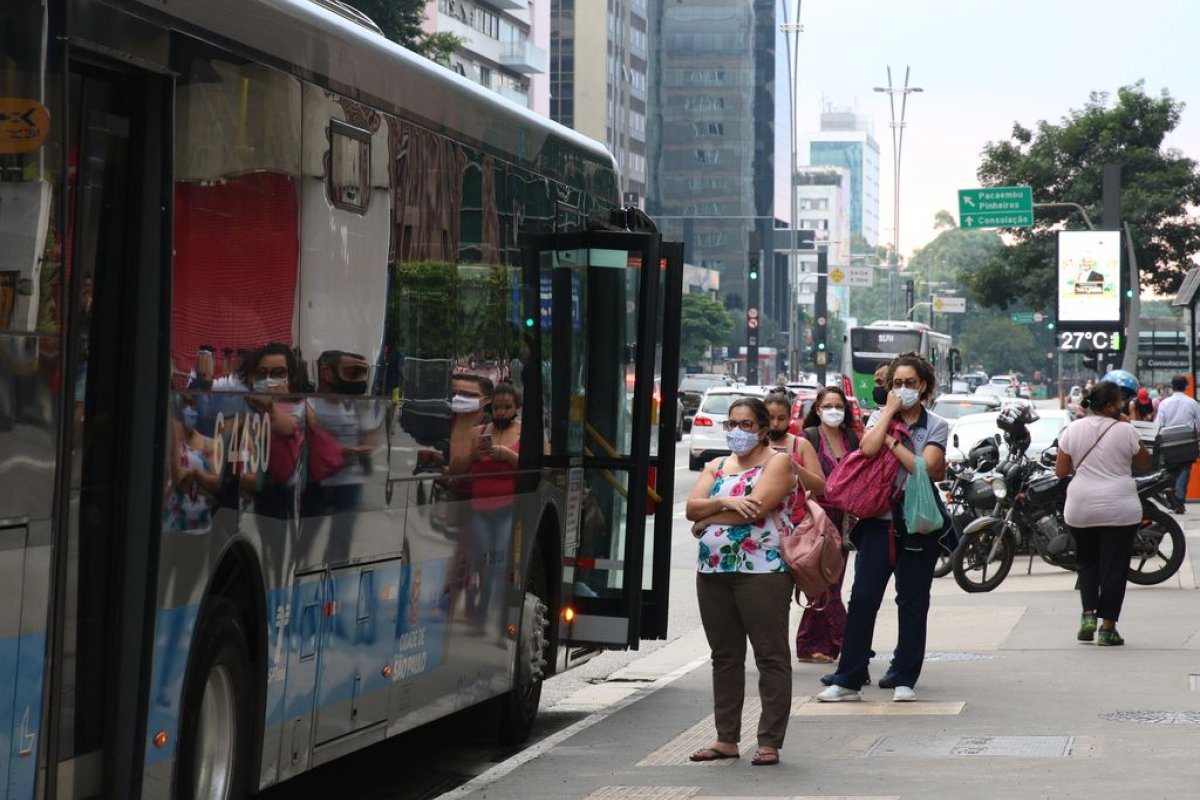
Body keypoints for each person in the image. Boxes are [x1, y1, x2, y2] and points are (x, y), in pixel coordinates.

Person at [817, 352, 949, 704]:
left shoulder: (935, 425)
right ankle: (849, 677)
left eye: (909, 383)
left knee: (912, 601)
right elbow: (867, 447)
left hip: (918, 524)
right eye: (896, 383)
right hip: (878, 523)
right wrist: (889, 414)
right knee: (862, 598)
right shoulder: (880, 416)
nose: (902, 389)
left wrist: (894, 442)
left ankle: (904, 676)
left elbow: (928, 467)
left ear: (923, 386)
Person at [685, 397, 799, 767]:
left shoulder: (778, 461)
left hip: (762, 573)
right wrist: (733, 504)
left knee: (770, 655)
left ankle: (769, 741)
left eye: (747, 425)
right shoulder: (717, 464)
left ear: (765, 429)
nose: (737, 431)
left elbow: (760, 508)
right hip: (714, 571)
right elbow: (691, 508)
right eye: (731, 424)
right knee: (725, 657)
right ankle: (726, 739)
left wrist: (710, 517)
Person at [1055, 380, 1151, 646]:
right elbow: (1144, 462)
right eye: (1118, 402)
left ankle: (1088, 615)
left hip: (1081, 507)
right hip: (1120, 508)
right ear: (1111, 405)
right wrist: (1127, 426)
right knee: (1114, 568)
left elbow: (1061, 471)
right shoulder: (1125, 430)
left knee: (1087, 563)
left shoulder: (1072, 429)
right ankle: (1107, 629)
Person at [793, 386, 860, 664]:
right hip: (817, 518)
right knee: (823, 583)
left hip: (845, 519)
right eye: (828, 405)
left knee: (833, 582)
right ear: (818, 410)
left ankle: (814, 644)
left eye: (838, 405)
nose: (834, 410)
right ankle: (846, 640)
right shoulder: (809, 438)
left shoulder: (851, 438)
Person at [466, 381, 522, 633]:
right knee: (482, 561)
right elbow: (461, 468)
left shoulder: (524, 433)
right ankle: (480, 610)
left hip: (507, 509)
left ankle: (491, 617)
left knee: (498, 564)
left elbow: (537, 470)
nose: (501, 413)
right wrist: (474, 456)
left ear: (516, 408)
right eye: (497, 408)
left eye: (507, 408)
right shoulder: (479, 433)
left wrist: (507, 455)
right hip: (480, 508)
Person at [1154, 375, 1200, 514]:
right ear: (1186, 386)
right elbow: (1199, 423)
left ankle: (1171, 498)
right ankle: (1179, 499)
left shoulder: (1164, 403)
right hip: (1187, 441)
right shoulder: (1192, 403)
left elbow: (1158, 424)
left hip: (1168, 441)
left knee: (1168, 470)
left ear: (1172, 387)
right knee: (1184, 470)